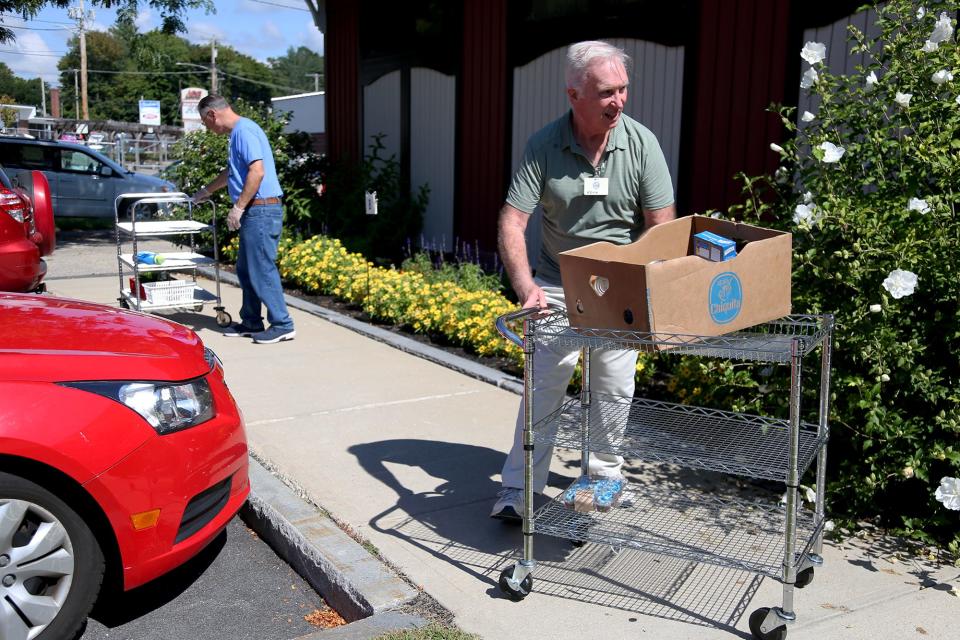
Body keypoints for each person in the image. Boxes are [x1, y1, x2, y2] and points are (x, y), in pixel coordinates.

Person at [491, 41, 676, 521]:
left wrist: (653, 292)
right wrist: (526, 287)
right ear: (575, 94)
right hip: (558, 282)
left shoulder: (641, 145)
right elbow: (512, 221)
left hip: (621, 283)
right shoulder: (544, 146)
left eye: (623, 90)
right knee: (544, 385)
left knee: (613, 385)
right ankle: (519, 488)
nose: (619, 101)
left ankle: (603, 478)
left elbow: (662, 226)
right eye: (607, 92)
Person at [191, 95, 295, 344]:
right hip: (256, 210)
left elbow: (256, 172)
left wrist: (238, 207)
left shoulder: (244, 131)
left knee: (261, 268)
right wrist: (206, 192)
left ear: (212, 115)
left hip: (260, 209)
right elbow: (233, 172)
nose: (207, 128)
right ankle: (251, 322)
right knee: (247, 269)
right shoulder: (239, 133)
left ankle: (282, 324)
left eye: (205, 123)